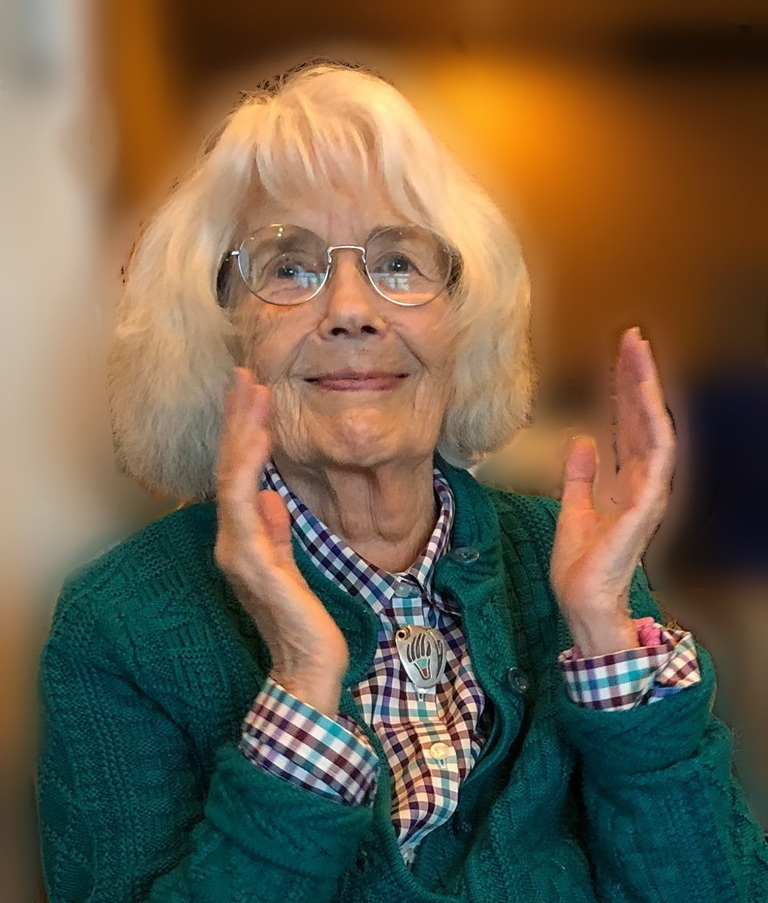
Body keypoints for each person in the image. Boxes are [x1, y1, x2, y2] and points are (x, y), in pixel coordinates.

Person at [36, 62, 768, 903]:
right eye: (289, 267)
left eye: (397, 263)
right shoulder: (118, 624)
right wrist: (303, 684)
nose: (352, 309)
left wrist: (606, 636)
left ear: (464, 320)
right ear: (221, 332)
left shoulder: (565, 562)